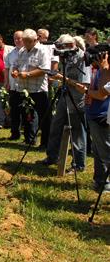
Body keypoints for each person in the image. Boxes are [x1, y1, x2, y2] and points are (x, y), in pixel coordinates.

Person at [40, 35, 90, 171]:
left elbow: (83, 86)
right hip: (64, 95)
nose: (60, 51)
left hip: (77, 99)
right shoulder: (67, 57)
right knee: (56, 125)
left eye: (62, 48)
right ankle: (52, 157)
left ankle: (78, 164)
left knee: (77, 132)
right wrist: (56, 80)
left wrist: (63, 78)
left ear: (70, 45)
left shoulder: (83, 58)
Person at [11, 29, 50, 146]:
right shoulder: (22, 51)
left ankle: (45, 142)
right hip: (25, 89)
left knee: (43, 117)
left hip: (38, 90)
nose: (26, 43)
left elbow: (44, 69)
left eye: (28, 41)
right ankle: (29, 139)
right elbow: (15, 65)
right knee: (28, 115)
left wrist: (27, 74)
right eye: (24, 41)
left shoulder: (42, 50)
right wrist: (14, 71)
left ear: (35, 40)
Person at [85, 52, 110, 193]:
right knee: (98, 150)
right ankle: (100, 181)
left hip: (102, 115)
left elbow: (101, 94)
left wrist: (86, 92)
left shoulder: (105, 70)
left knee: (106, 153)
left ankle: (104, 183)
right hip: (95, 113)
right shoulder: (97, 70)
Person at [4, 31, 24, 141]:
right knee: (14, 110)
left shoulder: (27, 51)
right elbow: (6, 68)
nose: (17, 40)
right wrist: (6, 82)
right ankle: (15, 133)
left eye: (19, 38)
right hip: (13, 85)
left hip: (25, 85)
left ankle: (29, 135)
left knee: (27, 112)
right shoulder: (11, 53)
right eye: (15, 38)